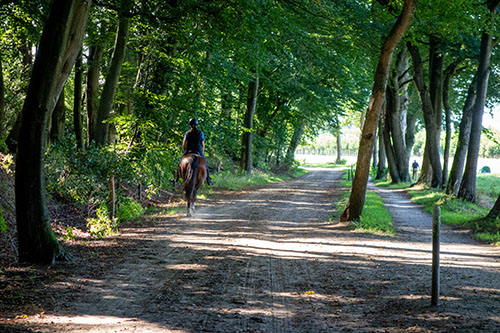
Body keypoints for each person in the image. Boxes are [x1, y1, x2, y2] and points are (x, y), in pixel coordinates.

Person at [182, 118, 214, 185]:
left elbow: (184, 144)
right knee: (205, 165)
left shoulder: (187, 133)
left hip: (189, 150)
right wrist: (202, 152)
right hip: (198, 150)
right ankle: (208, 180)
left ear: (190, 125)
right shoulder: (200, 133)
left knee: (180, 162)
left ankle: (176, 178)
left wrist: (184, 151)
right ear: (197, 124)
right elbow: (202, 144)